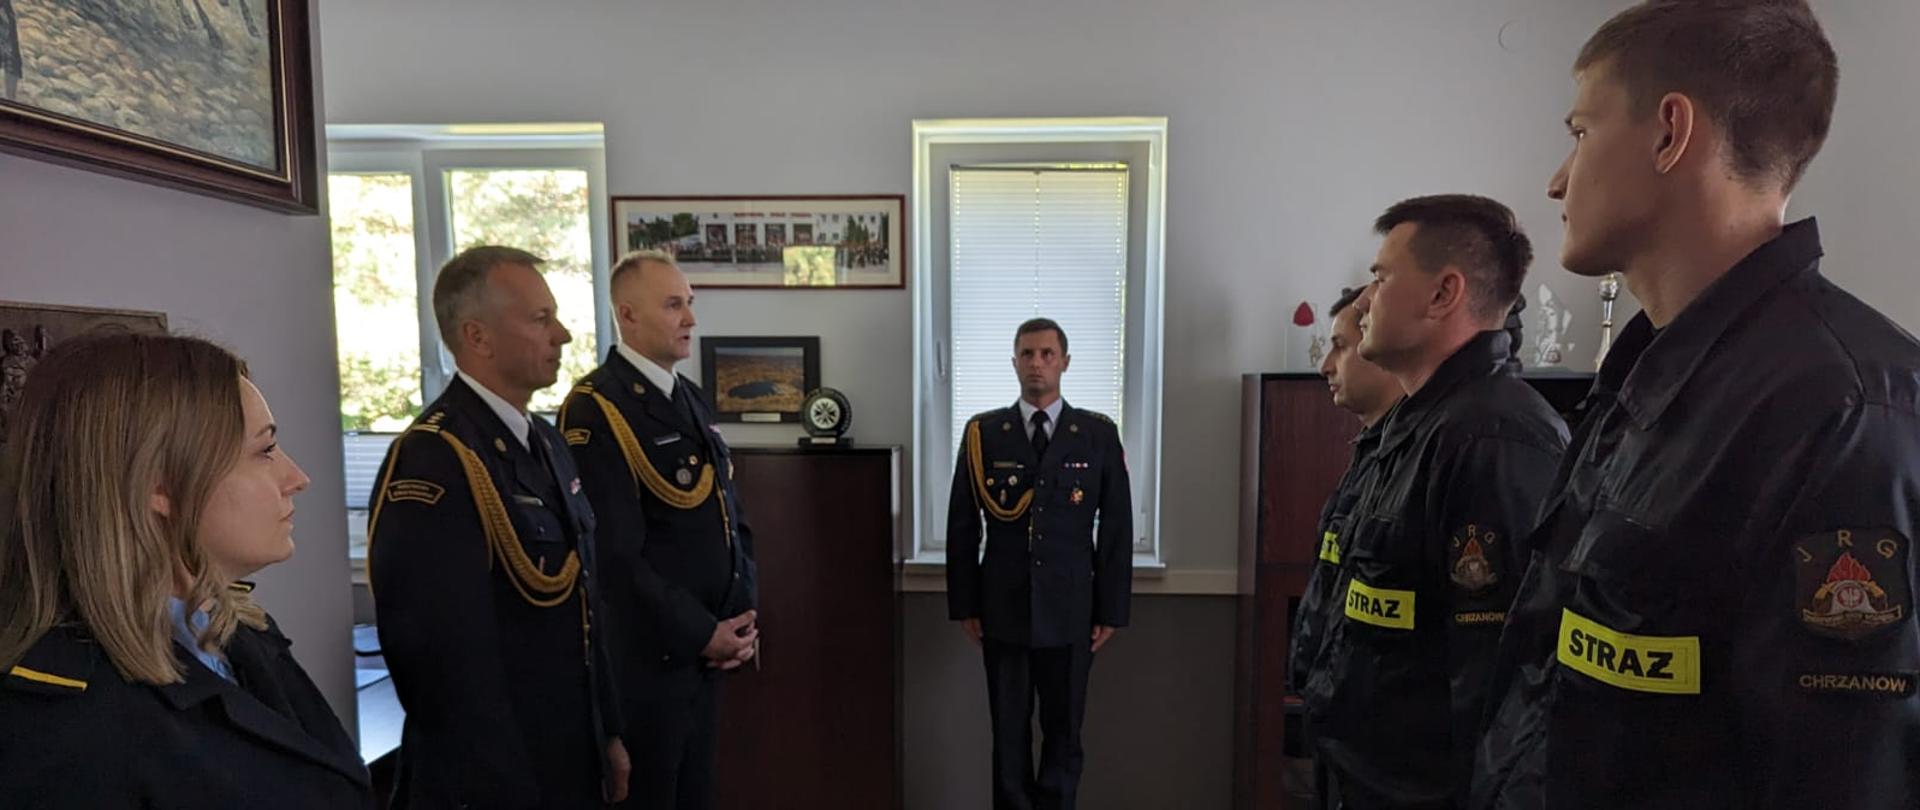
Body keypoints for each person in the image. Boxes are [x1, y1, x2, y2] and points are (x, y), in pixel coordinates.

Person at [1473, 3, 1920, 807]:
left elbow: (1841, 774)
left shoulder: (1840, 407)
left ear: (1669, 133)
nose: (1556, 180)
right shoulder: (1649, 374)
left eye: (1580, 132)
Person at [0, 332, 371, 808]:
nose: (296, 478)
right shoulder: (61, 729)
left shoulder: (236, 630)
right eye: (264, 451)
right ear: (159, 485)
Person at [1300, 195, 1568, 809]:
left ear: (1443, 294)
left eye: (1381, 277)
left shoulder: (1494, 438)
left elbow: (1497, 683)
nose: (1364, 302)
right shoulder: (1414, 427)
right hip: (1364, 779)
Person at [369, 246, 628, 808]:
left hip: (567, 753)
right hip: (494, 777)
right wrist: (501, 787)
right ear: (478, 337)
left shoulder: (546, 441)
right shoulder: (435, 458)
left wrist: (606, 731)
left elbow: (586, 609)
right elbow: (437, 661)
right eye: (540, 319)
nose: (562, 335)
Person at [559, 250, 757, 810]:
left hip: (707, 654)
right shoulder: (596, 409)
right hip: (650, 661)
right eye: (673, 305)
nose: (690, 318)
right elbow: (615, 558)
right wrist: (701, 632)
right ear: (628, 314)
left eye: (688, 303)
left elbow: (730, 515)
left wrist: (742, 616)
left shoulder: (686, 396)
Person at [946, 317, 1132, 810]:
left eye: (1047, 354)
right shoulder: (985, 434)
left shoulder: (1095, 434)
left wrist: (1111, 611)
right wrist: (965, 605)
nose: (1037, 364)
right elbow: (962, 526)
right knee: (1008, 736)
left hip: (1071, 610)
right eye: (1027, 354)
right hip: (1003, 610)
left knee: (1064, 735)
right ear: (1014, 363)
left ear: (1064, 362)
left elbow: (1116, 527)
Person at [1289, 284, 1405, 809]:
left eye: (1340, 346)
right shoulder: (1373, 451)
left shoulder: (1457, 442)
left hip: (1395, 758)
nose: (1325, 366)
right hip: (1344, 731)